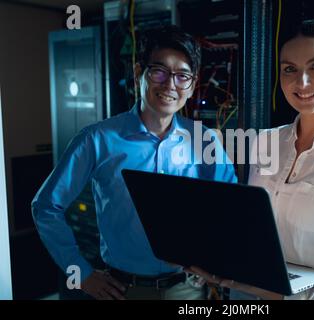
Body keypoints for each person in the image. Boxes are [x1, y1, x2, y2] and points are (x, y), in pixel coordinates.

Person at [190, 19, 314, 300]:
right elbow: (254, 231)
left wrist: (283, 296)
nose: (302, 82)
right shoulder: (265, 142)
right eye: (289, 70)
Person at [32, 25, 237, 300]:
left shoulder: (205, 141)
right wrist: (79, 273)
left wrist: (212, 258)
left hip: (187, 289)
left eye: (182, 76)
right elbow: (46, 206)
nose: (169, 84)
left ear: (192, 83)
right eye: (159, 71)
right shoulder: (97, 139)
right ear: (139, 72)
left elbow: (229, 209)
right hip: (123, 291)